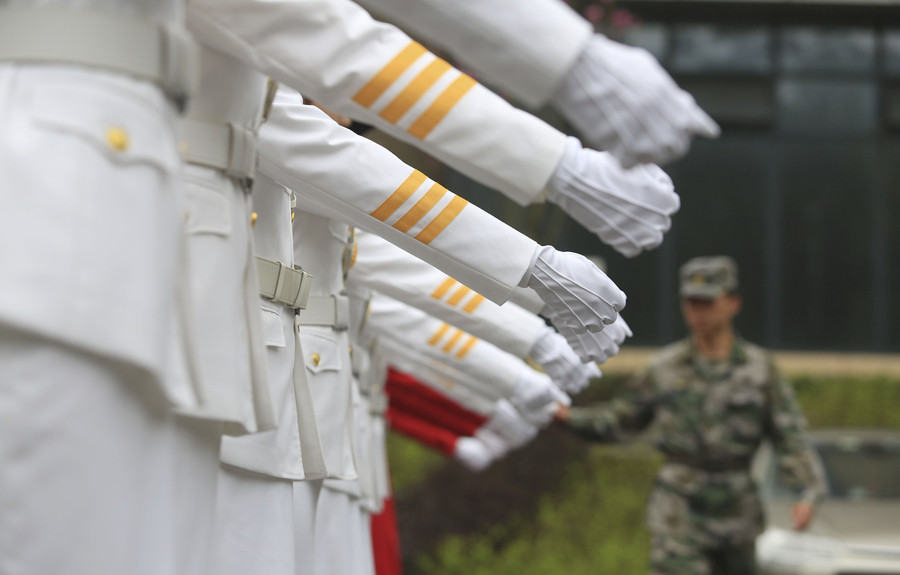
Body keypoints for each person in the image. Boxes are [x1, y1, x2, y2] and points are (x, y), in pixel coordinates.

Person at [556, 256, 826, 575]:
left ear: (732, 303)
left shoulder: (759, 370)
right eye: (691, 303)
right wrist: (565, 416)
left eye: (707, 302)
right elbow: (621, 421)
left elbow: (789, 435)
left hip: (736, 511)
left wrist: (806, 491)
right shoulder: (665, 367)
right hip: (679, 510)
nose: (698, 312)